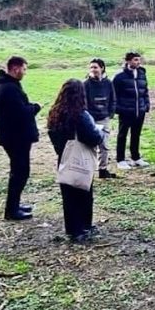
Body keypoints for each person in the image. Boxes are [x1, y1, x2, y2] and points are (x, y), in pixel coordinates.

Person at [47, 79, 104, 244]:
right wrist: (100, 134)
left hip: (63, 158)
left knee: (68, 197)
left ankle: (72, 230)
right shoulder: (80, 115)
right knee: (84, 194)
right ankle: (84, 227)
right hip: (80, 160)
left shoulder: (54, 113)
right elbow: (93, 138)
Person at [0, 56, 41, 221]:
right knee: (20, 173)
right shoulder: (8, 89)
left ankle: (15, 205)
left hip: (15, 136)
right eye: (24, 69)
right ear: (15, 69)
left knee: (20, 171)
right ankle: (11, 210)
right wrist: (35, 108)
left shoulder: (8, 86)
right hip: (15, 138)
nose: (25, 73)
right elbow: (19, 114)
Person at [113, 52, 150, 169]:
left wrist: (146, 105)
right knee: (122, 135)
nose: (138, 62)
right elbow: (114, 95)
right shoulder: (119, 77)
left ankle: (136, 157)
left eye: (139, 60)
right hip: (126, 111)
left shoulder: (142, 74)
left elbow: (145, 91)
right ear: (128, 61)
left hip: (140, 110)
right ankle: (120, 160)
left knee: (136, 134)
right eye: (135, 60)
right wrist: (118, 109)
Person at [84, 58, 116, 179]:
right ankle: (88, 170)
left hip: (104, 118)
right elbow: (83, 102)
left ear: (102, 68)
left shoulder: (108, 83)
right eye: (91, 67)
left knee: (104, 145)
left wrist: (110, 113)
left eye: (95, 67)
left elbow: (113, 98)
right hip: (90, 120)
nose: (93, 70)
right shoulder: (85, 84)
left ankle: (103, 170)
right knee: (90, 146)